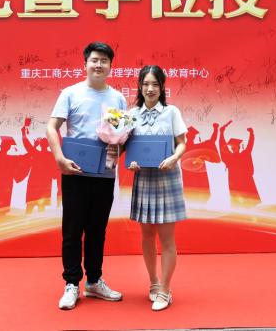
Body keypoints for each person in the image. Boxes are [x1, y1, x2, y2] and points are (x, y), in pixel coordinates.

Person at [46, 42, 127, 310]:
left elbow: (120, 135)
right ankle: (71, 283)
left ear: (111, 66)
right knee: (72, 231)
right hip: (75, 171)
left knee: (97, 231)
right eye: (94, 60)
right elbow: (51, 127)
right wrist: (59, 157)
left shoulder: (118, 98)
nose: (99, 65)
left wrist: (119, 148)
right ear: (85, 64)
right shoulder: (70, 93)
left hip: (105, 174)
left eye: (104, 61)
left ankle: (93, 281)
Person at [126, 65, 187, 311]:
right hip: (144, 179)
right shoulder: (132, 114)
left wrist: (174, 157)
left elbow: (182, 143)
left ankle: (165, 289)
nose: (150, 89)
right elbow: (126, 146)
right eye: (145, 84)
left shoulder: (171, 112)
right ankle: (153, 283)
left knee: (167, 238)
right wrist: (131, 161)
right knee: (147, 235)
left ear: (162, 87)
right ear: (140, 87)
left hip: (167, 178)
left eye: (154, 84)